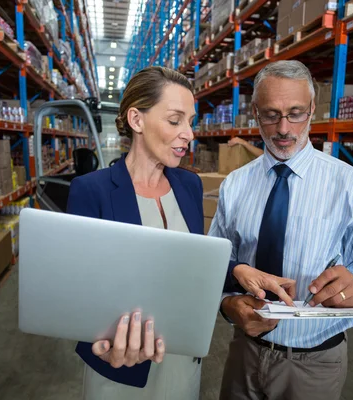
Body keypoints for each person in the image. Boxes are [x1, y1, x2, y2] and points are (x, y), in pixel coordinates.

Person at [209, 60, 353, 400]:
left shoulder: (352, 186)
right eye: (270, 114)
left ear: (311, 111)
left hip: (314, 363)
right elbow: (215, 263)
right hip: (244, 352)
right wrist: (227, 305)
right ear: (255, 113)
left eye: (295, 113)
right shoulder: (234, 185)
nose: (283, 128)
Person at [66, 66, 202, 399]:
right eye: (175, 120)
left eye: (191, 122)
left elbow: (196, 266)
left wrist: (238, 271)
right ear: (137, 120)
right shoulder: (92, 190)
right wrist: (104, 345)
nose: (189, 134)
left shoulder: (190, 185)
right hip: (120, 368)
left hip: (183, 361)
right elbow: (75, 292)